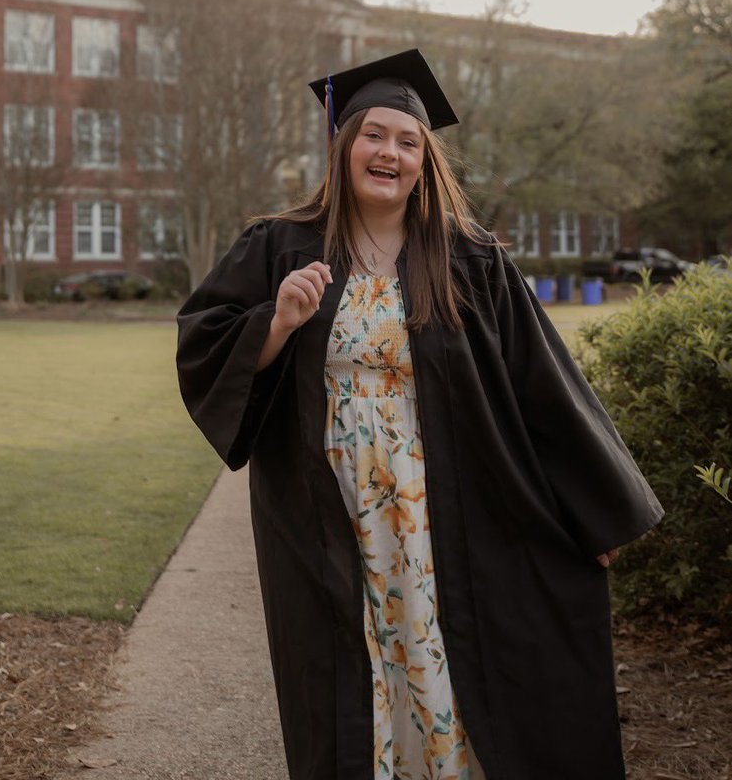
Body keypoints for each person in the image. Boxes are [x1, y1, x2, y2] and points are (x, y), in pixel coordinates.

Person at [176, 48, 664, 780]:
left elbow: (543, 385)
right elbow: (203, 344)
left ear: (423, 161)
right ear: (344, 147)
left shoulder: (469, 258)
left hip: (452, 505)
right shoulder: (278, 244)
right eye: (374, 135)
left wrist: (595, 513)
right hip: (327, 510)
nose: (390, 153)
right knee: (352, 662)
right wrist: (275, 324)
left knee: (451, 649)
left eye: (408, 142)